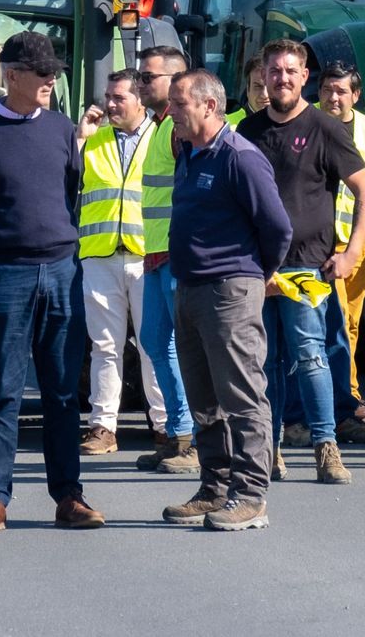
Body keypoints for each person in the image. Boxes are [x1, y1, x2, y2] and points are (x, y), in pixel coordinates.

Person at [0, 31, 102, 533]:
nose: (51, 79)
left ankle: (69, 497)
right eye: (42, 72)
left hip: (63, 271)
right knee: (4, 391)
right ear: (11, 75)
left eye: (54, 72)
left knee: (62, 393)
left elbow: (70, 192)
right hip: (6, 274)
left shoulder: (61, 129)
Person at [237, 40, 365, 486]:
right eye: (274, 72)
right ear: (264, 78)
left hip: (306, 268)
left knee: (312, 356)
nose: (281, 79)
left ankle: (325, 447)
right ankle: (270, 447)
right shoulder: (245, 132)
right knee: (265, 362)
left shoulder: (325, 128)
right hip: (257, 269)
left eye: (290, 71)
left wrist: (352, 251)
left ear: (304, 78)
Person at [161, 69, 291, 531]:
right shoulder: (189, 154)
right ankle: (214, 487)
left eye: (179, 104)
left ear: (209, 106)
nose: (170, 112)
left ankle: (251, 495)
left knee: (241, 395)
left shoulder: (240, 157)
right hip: (190, 289)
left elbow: (277, 229)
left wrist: (256, 274)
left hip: (229, 290)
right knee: (203, 398)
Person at [74, 70, 168, 456]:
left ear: (139, 100)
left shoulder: (161, 136)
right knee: (105, 347)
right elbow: (67, 178)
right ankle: (102, 427)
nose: (110, 104)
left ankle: (165, 426)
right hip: (100, 255)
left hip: (147, 257)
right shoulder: (92, 138)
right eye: (108, 97)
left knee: (154, 345)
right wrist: (80, 137)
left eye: (119, 98)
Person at [134, 44, 197, 474]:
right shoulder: (160, 126)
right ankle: (177, 434)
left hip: (175, 256)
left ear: (175, 80)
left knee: (187, 348)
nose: (140, 83)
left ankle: (192, 441)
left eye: (147, 77)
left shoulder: (176, 130)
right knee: (156, 342)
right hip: (155, 255)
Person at [316, 63, 365, 437]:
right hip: (324, 243)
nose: (334, 97)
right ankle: (343, 398)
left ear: (356, 95)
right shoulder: (308, 122)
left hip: (359, 240)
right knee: (336, 323)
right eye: (328, 89)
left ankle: (348, 392)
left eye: (342, 91)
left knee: (353, 323)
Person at [226, 55, 269, 127]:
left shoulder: (290, 126)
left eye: (270, 87)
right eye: (258, 86)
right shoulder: (225, 126)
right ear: (247, 90)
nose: (264, 95)